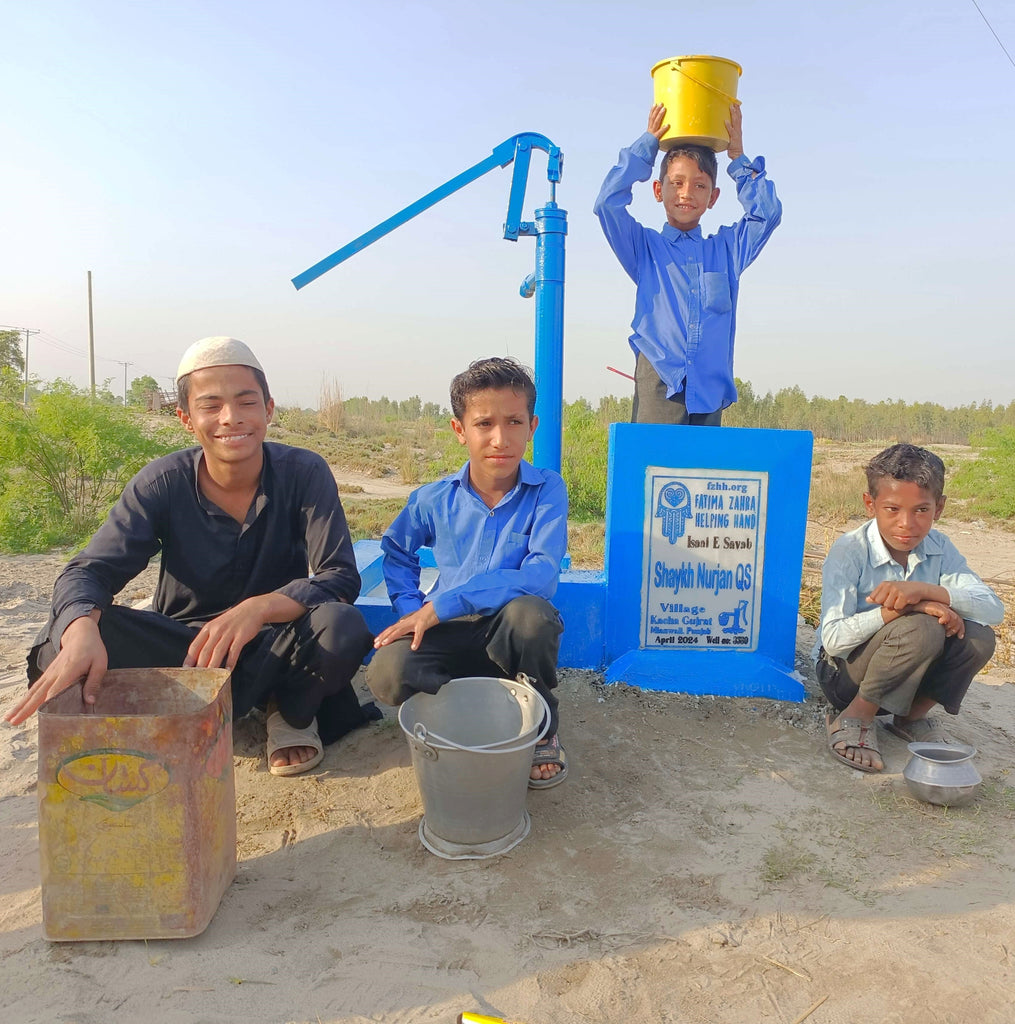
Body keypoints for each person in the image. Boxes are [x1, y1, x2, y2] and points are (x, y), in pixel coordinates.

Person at [5, 337, 377, 776]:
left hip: (273, 644)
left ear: (269, 409)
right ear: (186, 418)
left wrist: (258, 609)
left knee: (343, 627)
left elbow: (339, 577)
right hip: (185, 652)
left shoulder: (304, 472)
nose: (231, 419)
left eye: (246, 402)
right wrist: (82, 627)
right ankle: (184, 700)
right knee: (64, 637)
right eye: (211, 405)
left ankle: (288, 713)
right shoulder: (161, 483)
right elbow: (90, 571)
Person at [367, 356, 569, 787]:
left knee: (532, 616)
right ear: (460, 430)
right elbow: (396, 551)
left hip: (503, 630)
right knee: (386, 674)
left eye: (514, 422)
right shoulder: (433, 499)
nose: (501, 439)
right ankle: (470, 702)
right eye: (484, 424)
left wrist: (446, 602)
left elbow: (541, 574)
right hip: (447, 629)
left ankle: (541, 722)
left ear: (532, 426)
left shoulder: (547, 491)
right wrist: (409, 609)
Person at [815, 444, 1003, 773]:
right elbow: (832, 640)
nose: (907, 524)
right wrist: (902, 609)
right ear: (870, 504)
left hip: (905, 677)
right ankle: (856, 716)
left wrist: (928, 592)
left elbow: (993, 609)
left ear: (939, 508)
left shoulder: (940, 548)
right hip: (844, 676)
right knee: (923, 626)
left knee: (979, 638)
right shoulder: (850, 551)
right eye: (892, 509)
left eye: (921, 510)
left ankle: (910, 716)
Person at [594, 102, 781, 425]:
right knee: (653, 469)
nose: (686, 193)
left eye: (699, 185)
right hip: (659, 382)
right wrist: (647, 147)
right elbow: (607, 204)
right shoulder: (644, 248)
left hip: (710, 389)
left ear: (713, 197)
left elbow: (767, 215)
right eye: (676, 182)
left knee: (704, 472)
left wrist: (737, 157)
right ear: (657, 190)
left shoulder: (727, 250)